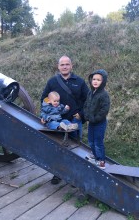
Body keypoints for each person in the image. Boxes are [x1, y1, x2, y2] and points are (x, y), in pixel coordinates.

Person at [41, 55, 89, 184]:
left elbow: (88, 100)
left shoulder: (79, 81)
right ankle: (58, 173)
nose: (65, 66)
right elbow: (44, 100)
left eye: (67, 64)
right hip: (57, 122)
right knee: (58, 148)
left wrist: (82, 114)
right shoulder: (52, 82)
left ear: (71, 66)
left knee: (75, 149)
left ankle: (75, 177)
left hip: (74, 120)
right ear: (58, 67)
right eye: (62, 64)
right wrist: (44, 116)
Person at [84, 69, 110, 170]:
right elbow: (86, 105)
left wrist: (96, 118)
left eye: (98, 80)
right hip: (91, 122)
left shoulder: (104, 95)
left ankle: (101, 161)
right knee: (91, 141)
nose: (95, 81)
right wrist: (86, 115)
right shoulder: (90, 93)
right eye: (94, 79)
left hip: (99, 123)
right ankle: (95, 157)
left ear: (103, 82)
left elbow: (104, 110)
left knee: (98, 142)